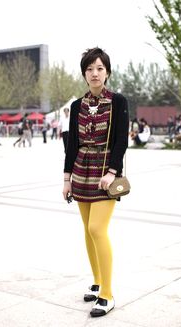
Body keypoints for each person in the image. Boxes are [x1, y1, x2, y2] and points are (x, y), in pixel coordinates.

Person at [62, 47, 129, 318]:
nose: (95, 73)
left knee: (97, 229)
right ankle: (98, 280)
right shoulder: (77, 105)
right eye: (89, 69)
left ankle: (107, 295)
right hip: (80, 171)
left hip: (105, 175)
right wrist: (66, 178)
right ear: (84, 74)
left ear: (108, 72)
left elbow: (121, 140)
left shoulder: (118, 101)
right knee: (87, 231)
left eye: (100, 68)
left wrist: (112, 172)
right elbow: (72, 144)